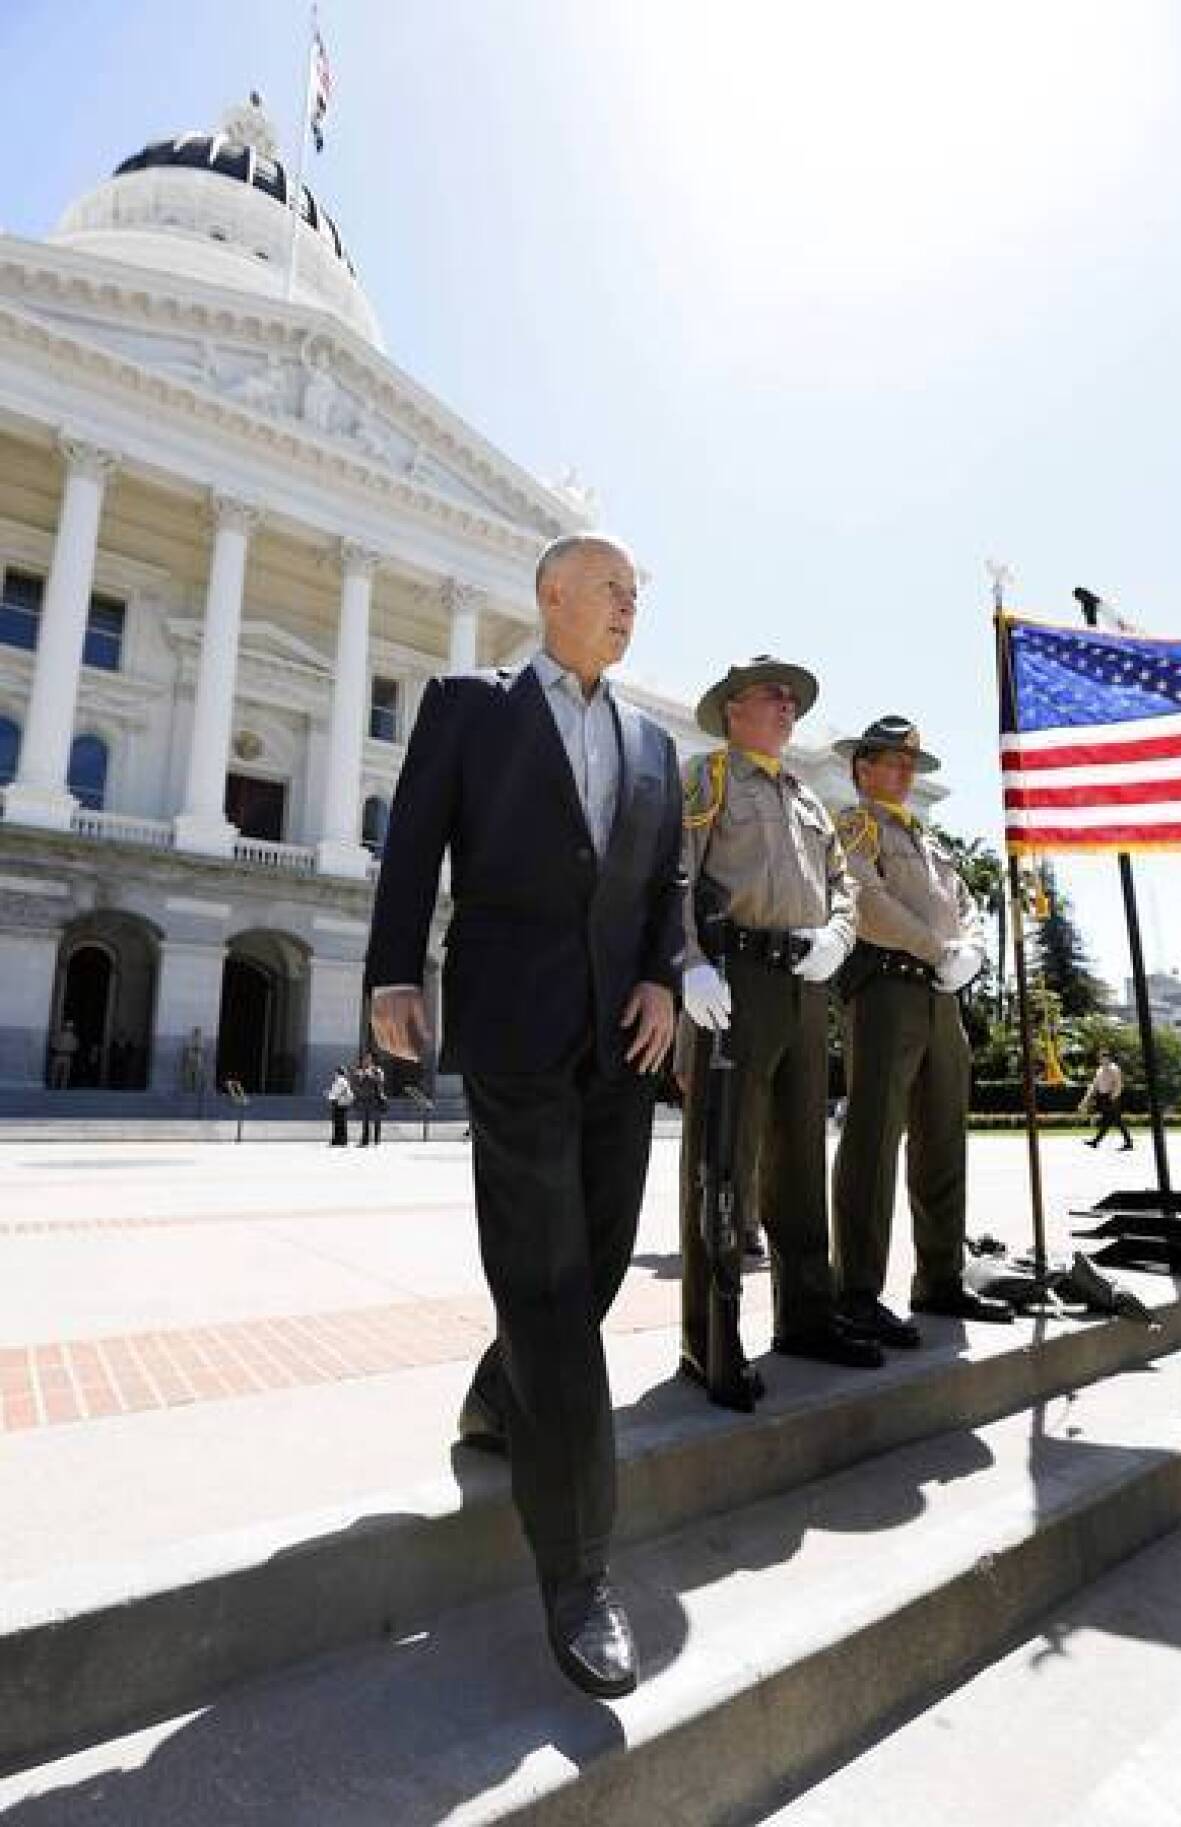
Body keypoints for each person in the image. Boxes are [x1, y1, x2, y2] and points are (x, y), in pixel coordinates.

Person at [365, 532, 684, 1700]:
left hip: (623, 1038)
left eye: (637, 594)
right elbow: (414, 843)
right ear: (552, 595)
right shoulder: (470, 704)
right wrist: (393, 966)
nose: (627, 607)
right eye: (612, 587)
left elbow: (667, 886)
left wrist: (664, 973)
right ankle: (580, 1570)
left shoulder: (649, 740)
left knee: (591, 1267)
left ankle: (500, 1395)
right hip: (511, 1023)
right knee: (549, 1284)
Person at [677, 654, 880, 1401]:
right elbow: (675, 873)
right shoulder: (711, 778)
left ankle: (806, 1314)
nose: (788, 706)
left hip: (803, 981)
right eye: (772, 695)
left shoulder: (807, 801)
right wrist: (688, 962)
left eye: (793, 699)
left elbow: (845, 887)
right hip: (735, 979)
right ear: (734, 708)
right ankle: (709, 1337)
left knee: (799, 1156)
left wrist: (837, 933)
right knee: (722, 1158)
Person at [830, 715, 1013, 1342]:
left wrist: (972, 952)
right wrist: (940, 949)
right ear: (863, 769)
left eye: (912, 765)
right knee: (873, 1139)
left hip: (939, 997)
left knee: (943, 1137)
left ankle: (939, 1279)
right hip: (885, 988)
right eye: (893, 762)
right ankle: (856, 1290)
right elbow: (867, 902)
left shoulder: (928, 840)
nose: (906, 773)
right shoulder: (855, 828)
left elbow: (966, 904)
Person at [1082, 1054, 1134, 1150]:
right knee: (1109, 1120)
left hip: (1112, 1097)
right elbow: (1094, 1085)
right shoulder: (1100, 1070)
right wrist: (1086, 1099)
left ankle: (1128, 1142)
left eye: (1104, 1058)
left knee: (1115, 1120)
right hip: (1102, 1097)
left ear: (1109, 1059)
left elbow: (1119, 1084)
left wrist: (1113, 1097)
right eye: (1101, 1058)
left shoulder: (1114, 1069)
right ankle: (1096, 1141)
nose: (1101, 1060)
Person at [352, 1051, 388, 1146]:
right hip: (365, 1098)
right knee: (365, 1120)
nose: (366, 1060)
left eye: (368, 1058)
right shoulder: (361, 1070)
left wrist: (371, 1075)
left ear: (372, 1059)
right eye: (365, 1058)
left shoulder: (377, 1070)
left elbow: (381, 1082)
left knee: (377, 1119)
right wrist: (360, 1076)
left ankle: (377, 1139)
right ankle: (365, 1140)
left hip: (375, 1098)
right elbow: (356, 1084)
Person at [48, 1018, 80, 1090]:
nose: (69, 1028)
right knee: (58, 1073)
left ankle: (59, 1087)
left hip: (64, 1055)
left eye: (70, 1027)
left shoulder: (73, 1037)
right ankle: (58, 1086)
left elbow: (54, 1045)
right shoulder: (62, 1035)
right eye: (68, 1026)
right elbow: (75, 1048)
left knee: (63, 1073)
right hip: (61, 1055)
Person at [326, 1065, 353, 1146]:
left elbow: (336, 1093)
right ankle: (341, 1139)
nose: (334, 1074)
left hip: (338, 1103)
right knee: (342, 1122)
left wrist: (329, 1095)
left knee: (338, 1122)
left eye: (335, 1072)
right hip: (344, 1103)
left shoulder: (339, 1081)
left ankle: (339, 1140)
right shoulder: (345, 1080)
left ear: (337, 1072)